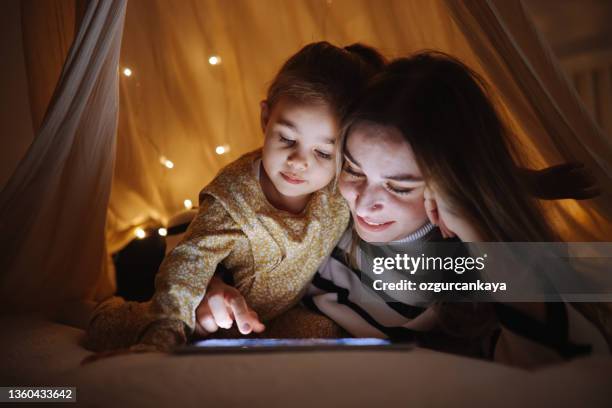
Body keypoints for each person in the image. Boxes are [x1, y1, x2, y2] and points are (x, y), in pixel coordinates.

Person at [195, 51, 608, 368]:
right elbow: (230, 231)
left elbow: (558, 365)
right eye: (352, 168)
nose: (364, 201)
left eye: (399, 185)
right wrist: (210, 289)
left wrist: (476, 229)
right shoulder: (327, 199)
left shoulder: (452, 268)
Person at [84, 41, 383, 352]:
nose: (298, 161)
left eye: (323, 152)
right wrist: (166, 332)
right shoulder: (234, 195)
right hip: (210, 310)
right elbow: (189, 262)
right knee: (133, 329)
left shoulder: (340, 189)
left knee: (323, 333)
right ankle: (105, 313)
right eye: (287, 138)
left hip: (273, 317)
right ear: (266, 119)